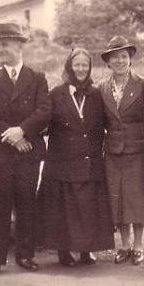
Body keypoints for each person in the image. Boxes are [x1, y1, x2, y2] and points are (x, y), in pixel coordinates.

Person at [0, 22, 51, 280]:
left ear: (20, 46)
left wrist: (22, 131)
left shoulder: (37, 78)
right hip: (1, 155)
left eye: (4, 44)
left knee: (26, 205)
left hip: (28, 152)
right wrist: (12, 137)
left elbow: (44, 112)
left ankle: (24, 255)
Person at [39, 48, 114, 267]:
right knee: (64, 209)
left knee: (87, 208)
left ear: (89, 68)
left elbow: (107, 124)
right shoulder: (56, 94)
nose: (80, 69)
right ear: (69, 67)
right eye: (77, 65)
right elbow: (44, 123)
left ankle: (86, 250)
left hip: (90, 161)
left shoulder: (96, 94)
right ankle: (63, 251)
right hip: (62, 162)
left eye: (84, 65)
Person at [99, 36, 144, 265]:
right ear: (108, 62)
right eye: (115, 58)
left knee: (138, 198)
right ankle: (123, 246)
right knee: (119, 199)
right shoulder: (102, 88)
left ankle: (138, 245)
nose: (119, 61)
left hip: (138, 151)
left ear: (130, 59)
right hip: (113, 153)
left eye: (123, 57)